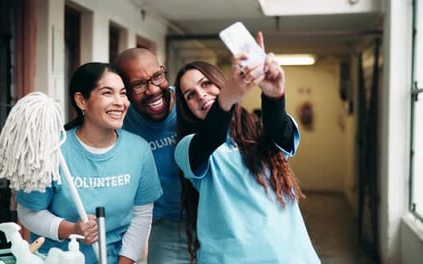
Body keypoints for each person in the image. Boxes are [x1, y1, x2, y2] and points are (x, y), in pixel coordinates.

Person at [173, 33, 320, 263]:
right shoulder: (187, 147)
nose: (201, 95)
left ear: (219, 83)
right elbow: (210, 138)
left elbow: (279, 130)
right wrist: (226, 99)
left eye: (206, 84)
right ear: (186, 108)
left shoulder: (259, 128)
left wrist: (274, 96)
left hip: (290, 256)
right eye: (190, 95)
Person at [16, 62, 163, 264]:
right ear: (81, 101)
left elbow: (141, 217)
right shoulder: (53, 150)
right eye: (107, 93)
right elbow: (28, 213)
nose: (120, 102)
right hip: (56, 258)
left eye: (123, 93)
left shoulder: (139, 150)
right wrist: (73, 230)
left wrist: (125, 262)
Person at [113, 48, 191, 263]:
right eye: (139, 84)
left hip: (215, 220)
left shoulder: (191, 101)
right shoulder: (120, 122)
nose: (153, 89)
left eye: (157, 76)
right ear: (124, 90)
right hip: (168, 227)